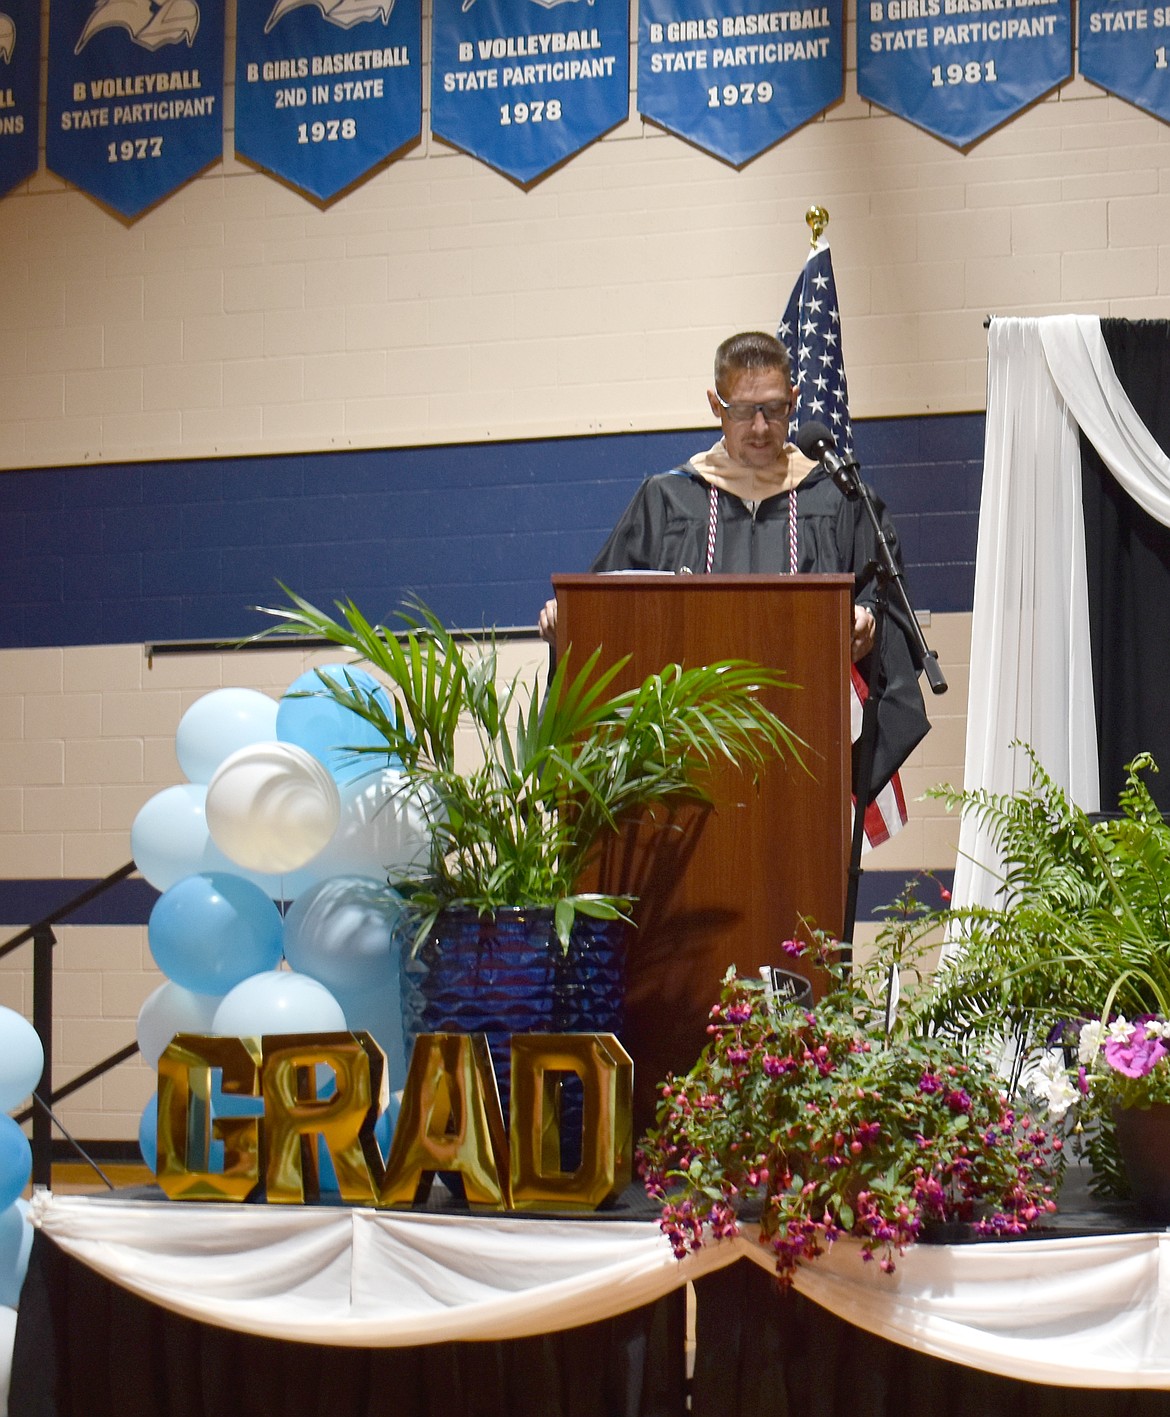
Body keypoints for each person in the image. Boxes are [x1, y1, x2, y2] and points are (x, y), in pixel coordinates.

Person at [539, 330, 930, 799]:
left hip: (807, 760)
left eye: (776, 408)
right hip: (678, 766)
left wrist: (868, 620)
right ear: (715, 404)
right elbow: (610, 605)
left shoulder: (839, 500)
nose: (762, 428)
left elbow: (889, 603)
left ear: (795, 399)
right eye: (744, 411)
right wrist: (568, 621)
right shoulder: (667, 502)